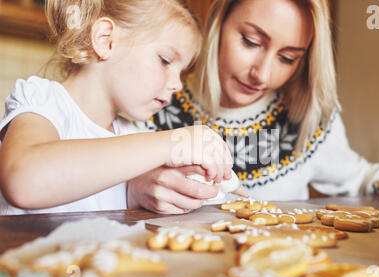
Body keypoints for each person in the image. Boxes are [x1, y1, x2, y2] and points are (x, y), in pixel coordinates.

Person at [128, 0, 379, 213]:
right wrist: (133, 190)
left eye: (287, 58)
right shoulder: (151, 97)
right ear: (219, 21)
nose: (262, 74)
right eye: (251, 42)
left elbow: (360, 176)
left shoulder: (308, 117)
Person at [0, 0, 233, 215]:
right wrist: (172, 142)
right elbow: (23, 182)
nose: (177, 85)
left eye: (181, 72)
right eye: (165, 60)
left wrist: (133, 193)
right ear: (105, 40)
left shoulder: (134, 133)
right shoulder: (44, 100)